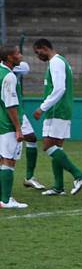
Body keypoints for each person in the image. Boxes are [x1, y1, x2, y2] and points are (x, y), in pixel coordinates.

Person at [33, 39, 82, 196]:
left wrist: (42, 107)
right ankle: (58, 186)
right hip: (63, 110)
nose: (38, 56)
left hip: (56, 111)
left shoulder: (55, 62)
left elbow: (59, 88)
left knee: (48, 146)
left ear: (44, 48)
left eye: (38, 53)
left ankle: (79, 175)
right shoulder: (61, 61)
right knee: (57, 147)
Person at [0, 46, 28, 208]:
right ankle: (6, 200)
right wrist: (18, 128)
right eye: (17, 53)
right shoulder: (9, 77)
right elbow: (10, 105)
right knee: (9, 161)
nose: (21, 55)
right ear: (10, 57)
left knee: (1, 160)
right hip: (7, 125)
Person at [12, 60, 44, 190]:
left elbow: (25, 67)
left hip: (17, 110)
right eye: (17, 55)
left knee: (31, 138)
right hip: (8, 111)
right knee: (7, 154)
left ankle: (29, 178)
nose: (20, 57)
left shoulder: (14, 72)